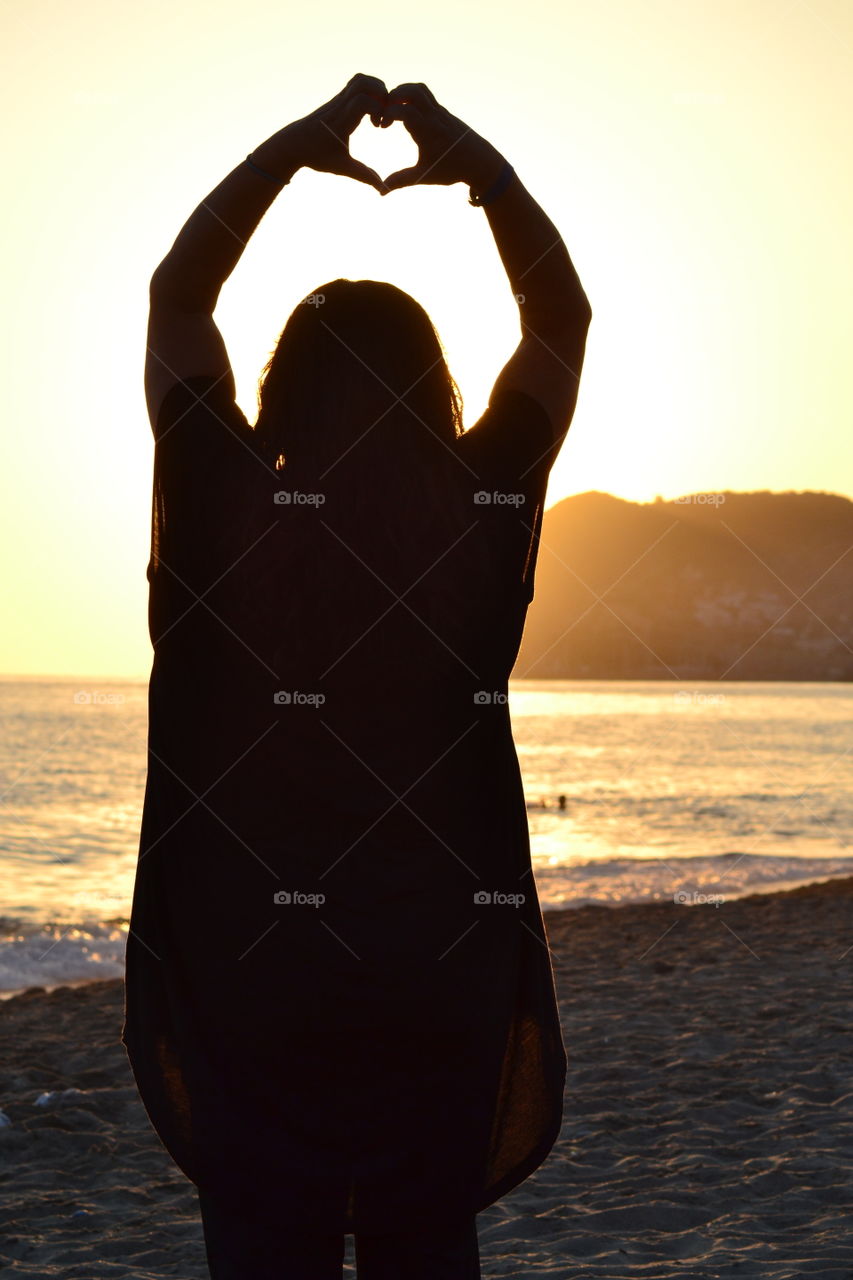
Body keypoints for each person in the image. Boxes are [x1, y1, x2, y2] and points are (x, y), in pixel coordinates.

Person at [122, 74, 592, 1279]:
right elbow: (559, 322)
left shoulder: (226, 502)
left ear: (278, 391)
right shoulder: (476, 512)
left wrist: (292, 148)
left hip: (252, 992)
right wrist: (474, 163)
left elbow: (179, 295)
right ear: (434, 392)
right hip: (432, 987)